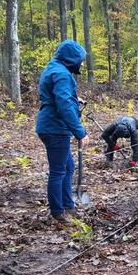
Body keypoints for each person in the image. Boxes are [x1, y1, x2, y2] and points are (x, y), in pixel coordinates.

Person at [35, 40, 89, 223]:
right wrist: (80, 132)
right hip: (55, 128)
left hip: (52, 125)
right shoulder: (62, 74)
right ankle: (58, 212)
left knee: (68, 167)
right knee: (58, 171)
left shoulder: (54, 68)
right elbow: (64, 105)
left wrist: (75, 98)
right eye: (80, 60)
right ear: (71, 58)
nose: (81, 64)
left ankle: (68, 205)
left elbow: (58, 95)